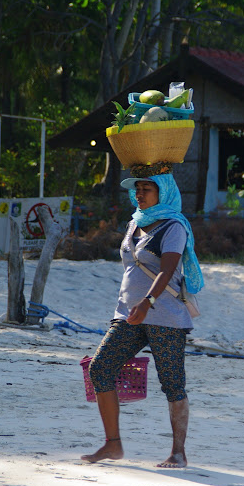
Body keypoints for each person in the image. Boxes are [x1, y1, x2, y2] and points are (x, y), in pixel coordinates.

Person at [81, 172, 204, 468]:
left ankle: (178, 453)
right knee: (100, 368)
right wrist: (131, 306)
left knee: (172, 384)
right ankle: (113, 444)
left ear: (164, 193)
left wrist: (148, 302)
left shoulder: (173, 226)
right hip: (129, 313)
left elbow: (167, 270)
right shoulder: (134, 223)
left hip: (165, 316)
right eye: (138, 188)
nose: (140, 193)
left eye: (147, 188)